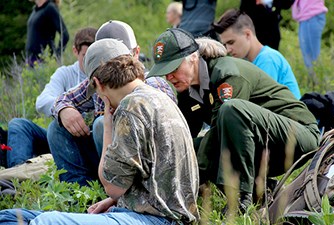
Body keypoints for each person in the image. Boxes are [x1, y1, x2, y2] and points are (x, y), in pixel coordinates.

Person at [0, 38, 200, 225]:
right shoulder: (154, 96)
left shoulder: (131, 107)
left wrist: (108, 121)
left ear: (97, 83)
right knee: (10, 216)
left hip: (159, 219)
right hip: (149, 211)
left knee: (45, 221)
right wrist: (116, 202)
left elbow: (111, 186)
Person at [147, 28, 320, 211]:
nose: (169, 77)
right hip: (260, 145)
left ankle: (240, 198)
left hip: (297, 136)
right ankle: (262, 190)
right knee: (190, 147)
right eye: (164, 71)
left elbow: (220, 137)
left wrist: (191, 177)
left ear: (193, 57)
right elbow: (182, 139)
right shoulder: (187, 90)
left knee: (230, 111)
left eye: (173, 68)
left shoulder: (227, 74)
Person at [48, 20, 177, 186]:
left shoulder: (152, 83)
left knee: (102, 123)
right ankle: (79, 191)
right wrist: (64, 110)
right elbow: (61, 99)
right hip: (103, 156)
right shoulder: (97, 82)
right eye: (106, 61)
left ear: (136, 53)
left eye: (121, 58)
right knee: (57, 127)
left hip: (145, 165)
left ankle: (123, 188)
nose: (115, 66)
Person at [6, 27, 97, 168]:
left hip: (91, 143)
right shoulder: (65, 73)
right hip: (60, 139)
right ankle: (18, 176)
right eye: (85, 56)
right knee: (18, 125)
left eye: (94, 56)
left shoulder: (105, 74)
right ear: (75, 51)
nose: (89, 62)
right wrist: (64, 110)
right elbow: (42, 101)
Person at [213, 9, 301, 99]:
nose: (228, 50)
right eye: (225, 45)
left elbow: (263, 101)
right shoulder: (253, 61)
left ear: (247, 34)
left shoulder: (268, 59)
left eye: (231, 42)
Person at [292, 0, 328, 86]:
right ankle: (318, 87)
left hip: (311, 16)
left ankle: (321, 88)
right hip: (307, 17)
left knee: (312, 59)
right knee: (309, 58)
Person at [26, 0, 69, 67]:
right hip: (30, 59)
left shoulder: (49, 8)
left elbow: (65, 34)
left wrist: (56, 56)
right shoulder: (35, 9)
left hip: (43, 60)